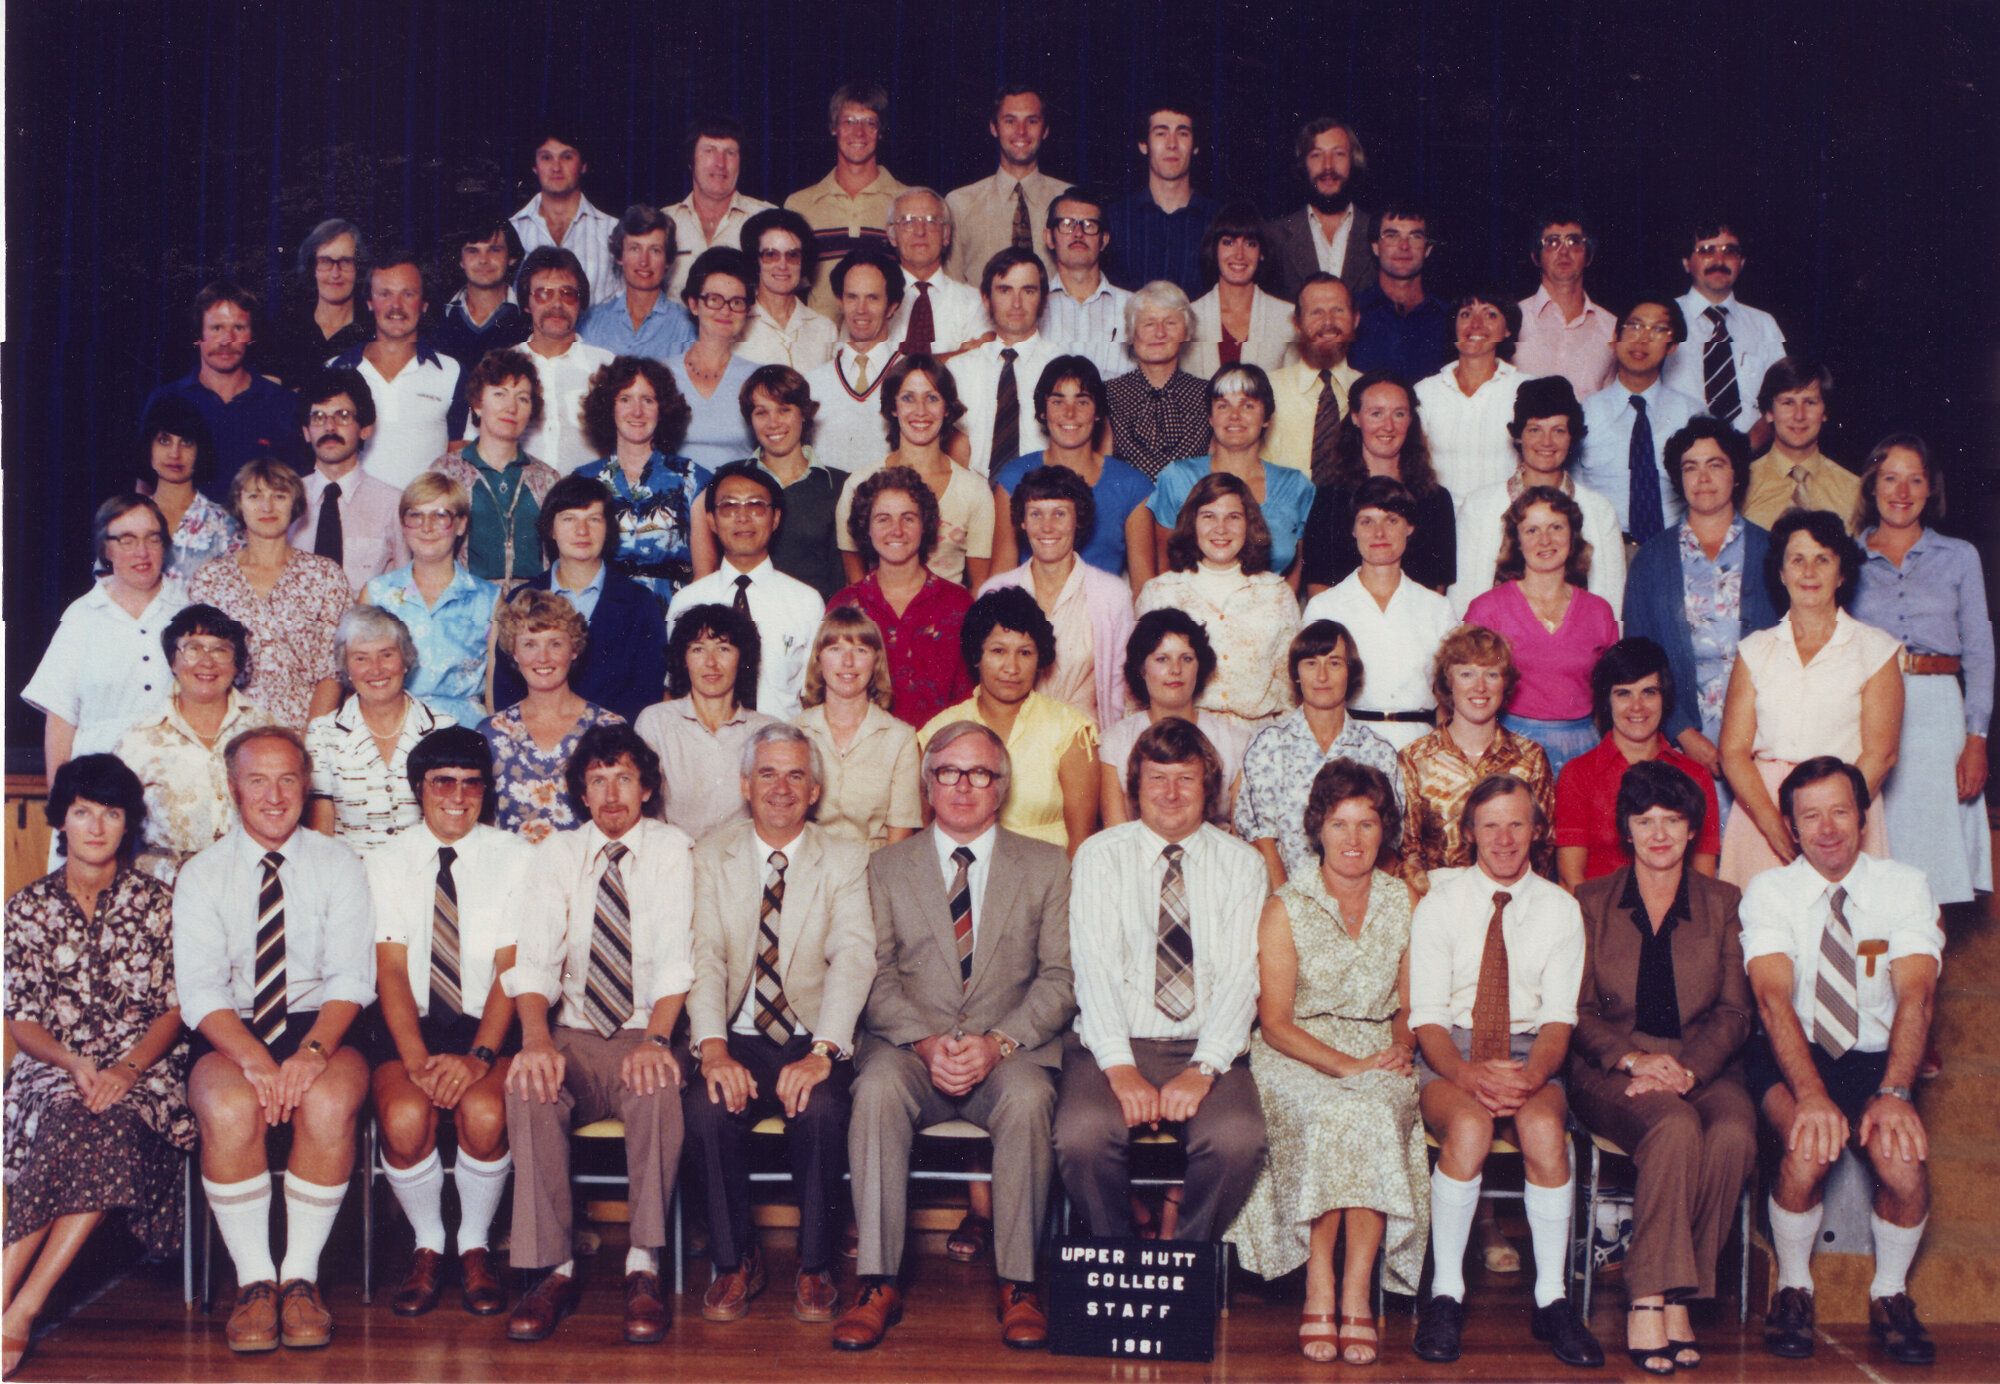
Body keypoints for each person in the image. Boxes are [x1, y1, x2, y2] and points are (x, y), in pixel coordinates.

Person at [834, 722, 1075, 1351]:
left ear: (1002, 787)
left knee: (1029, 1101)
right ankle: (876, 1281)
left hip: (1010, 1052)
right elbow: (875, 972)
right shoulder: (885, 867)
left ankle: (1018, 1284)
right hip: (913, 1052)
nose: (964, 786)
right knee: (876, 1089)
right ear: (927, 783)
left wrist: (998, 1043)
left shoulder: (1047, 865)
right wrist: (923, 1043)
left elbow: (1060, 976)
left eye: (981, 774)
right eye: (948, 772)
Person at [173, 726, 375, 1354]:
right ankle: (256, 1281)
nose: (274, 794)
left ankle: (301, 1281)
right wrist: (258, 1062)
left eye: (288, 778)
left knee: (329, 1102)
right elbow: (201, 990)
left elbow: (351, 977)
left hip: (322, 1022)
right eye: (257, 779)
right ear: (233, 787)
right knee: (231, 1106)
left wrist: (310, 1055)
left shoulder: (339, 863)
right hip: (233, 1029)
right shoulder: (202, 873)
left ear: (305, 784)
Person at [1741, 758, 1943, 1367]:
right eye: (1810, 816)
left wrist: (1897, 1092)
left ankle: (1889, 1295)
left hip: (1879, 1060)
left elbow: (1917, 995)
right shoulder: (1769, 891)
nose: (1827, 829)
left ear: (1861, 815)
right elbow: (1772, 1001)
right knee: (1807, 1150)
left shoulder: (1904, 885)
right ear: (1790, 826)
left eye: (1839, 811)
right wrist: (1809, 1093)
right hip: (1791, 1055)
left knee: (1903, 1166)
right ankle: (1794, 1287)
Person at [1225, 762, 1427, 1367]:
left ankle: (1356, 1292)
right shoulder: (1286, 905)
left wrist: (1402, 1048)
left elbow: (1412, 1006)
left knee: (1369, 1110)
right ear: (1318, 829)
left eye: (1367, 823)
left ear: (1383, 829)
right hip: (1299, 1052)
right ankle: (1319, 1283)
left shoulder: (1404, 901)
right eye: (1340, 823)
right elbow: (1277, 1022)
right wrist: (1345, 1065)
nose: (1354, 838)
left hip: (1378, 1049)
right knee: (1337, 1110)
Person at [2, 755, 195, 1378]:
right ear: (60, 818)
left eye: (111, 813)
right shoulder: (25, 908)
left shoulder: (160, 905)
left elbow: (176, 1008)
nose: (95, 826)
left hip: (147, 1071)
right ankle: (13, 1306)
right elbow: (22, 1020)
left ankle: (19, 1307)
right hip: (53, 1066)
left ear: (128, 824)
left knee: (106, 1119)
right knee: (70, 1114)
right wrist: (73, 1061)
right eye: (83, 811)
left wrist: (128, 1069)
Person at [502, 724, 692, 1347]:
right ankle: (552, 1268)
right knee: (530, 1087)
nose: (612, 794)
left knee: (658, 1088)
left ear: (646, 787)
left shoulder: (672, 850)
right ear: (582, 792)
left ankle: (644, 1264)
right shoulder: (556, 855)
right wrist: (534, 1041)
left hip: (647, 1027)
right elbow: (534, 960)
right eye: (598, 780)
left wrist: (657, 1041)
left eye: (625, 779)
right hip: (576, 1031)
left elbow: (675, 962)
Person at [1407, 774, 1603, 1369]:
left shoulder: (1561, 908)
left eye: (1517, 823)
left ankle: (1552, 1300)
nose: (1504, 837)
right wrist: (1467, 1076)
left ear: (1537, 831)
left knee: (1545, 1131)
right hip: (1453, 1054)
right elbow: (1428, 1020)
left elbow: (1559, 1023)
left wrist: (1530, 1077)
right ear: (1469, 833)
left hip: (1529, 1055)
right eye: (1490, 825)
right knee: (1466, 1131)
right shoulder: (1441, 903)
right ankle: (1445, 1294)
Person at [685, 724, 877, 1326]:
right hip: (736, 1030)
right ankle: (734, 1259)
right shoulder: (711, 852)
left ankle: (816, 1265)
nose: (781, 787)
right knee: (707, 1108)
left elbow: (853, 953)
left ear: (815, 789)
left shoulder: (844, 857)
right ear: (745, 784)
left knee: (820, 1110)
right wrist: (713, 1050)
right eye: (767, 773)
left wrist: (823, 1051)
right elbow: (706, 954)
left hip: (809, 1031)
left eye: (796, 774)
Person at [1569, 759, 1755, 1375]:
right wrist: (1633, 1059)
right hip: (1611, 1066)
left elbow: (1733, 1011)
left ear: (1692, 829)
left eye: (1672, 820)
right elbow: (1575, 1010)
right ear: (1625, 828)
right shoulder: (1591, 901)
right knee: (1672, 1127)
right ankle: (1648, 1295)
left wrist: (1688, 1071)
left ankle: (1681, 1294)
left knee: (1732, 1133)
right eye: (1644, 820)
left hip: (1703, 1064)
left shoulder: (1723, 902)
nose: (1658, 834)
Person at [1057, 719, 1266, 1247]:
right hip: (1115, 1040)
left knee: (1238, 1139)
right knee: (1081, 1136)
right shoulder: (1100, 855)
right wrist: (1119, 1066)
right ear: (1135, 789)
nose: (1171, 793)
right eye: (1156, 779)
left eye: (1186, 779)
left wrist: (1205, 1067)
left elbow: (1245, 977)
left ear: (1208, 788)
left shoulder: (1243, 865)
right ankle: (1120, 1255)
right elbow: (1093, 968)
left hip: (1205, 1043)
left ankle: (1183, 1261)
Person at [365, 728, 533, 1319]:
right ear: (419, 789)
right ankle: (428, 1244)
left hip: (487, 1022)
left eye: (471, 784)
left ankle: (475, 1245)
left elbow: (511, 970)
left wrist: (478, 1059)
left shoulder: (517, 858)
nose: (457, 796)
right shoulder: (386, 861)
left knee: (486, 1114)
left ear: (486, 791)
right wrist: (414, 1062)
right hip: (409, 1024)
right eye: (443, 783)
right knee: (406, 1118)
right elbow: (389, 968)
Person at [1718, 509, 1902, 884]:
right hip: (1765, 813)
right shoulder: (1756, 650)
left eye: (1823, 559)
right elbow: (1733, 752)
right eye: (1797, 560)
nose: (1809, 571)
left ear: (1842, 572)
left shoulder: (1876, 650)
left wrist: (1831, 825)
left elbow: (1881, 754)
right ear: (1781, 572)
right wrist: (1776, 827)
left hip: (1845, 813)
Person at [1853, 433, 1992, 903]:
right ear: (1872, 485)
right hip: (1871, 711)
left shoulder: (1960, 556)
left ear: (1931, 489)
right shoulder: (1847, 558)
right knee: (1878, 849)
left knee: (1936, 861)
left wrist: (1976, 739)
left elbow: (1979, 652)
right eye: (1890, 478)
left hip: (1938, 713)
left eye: (1915, 480)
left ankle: (1922, 972)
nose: (1902, 491)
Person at [1623, 418, 1781, 798]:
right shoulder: (1651, 559)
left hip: (1764, 733)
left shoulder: (1773, 552)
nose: (1703, 478)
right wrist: (1683, 733)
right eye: (1690, 467)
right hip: (1681, 736)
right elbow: (1638, 658)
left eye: (1716, 464)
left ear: (1737, 474)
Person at [919, 588, 1100, 855]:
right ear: (977, 656)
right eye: (998, 650)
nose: (1011, 667)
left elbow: (1081, 841)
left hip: (1046, 881)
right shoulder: (938, 732)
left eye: (1025, 653)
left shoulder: (1070, 730)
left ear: (1040, 659)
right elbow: (924, 835)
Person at [23, 495, 188, 778]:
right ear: (106, 549)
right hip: (97, 789)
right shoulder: (82, 616)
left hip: (175, 781)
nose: (142, 552)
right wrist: (61, 806)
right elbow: (61, 719)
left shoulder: (189, 609)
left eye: (152, 538)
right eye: (127, 540)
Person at [1234, 620, 1402, 888]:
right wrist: (1289, 906)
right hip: (1285, 896)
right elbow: (1260, 838)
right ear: (1297, 674)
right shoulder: (1269, 744)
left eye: (1334, 663)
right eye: (1311, 663)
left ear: (1350, 671)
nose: (1322, 676)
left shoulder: (1377, 750)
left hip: (1359, 898)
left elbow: (1390, 842)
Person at [1465, 487, 1621, 775]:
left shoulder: (1599, 611)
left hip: (1585, 749)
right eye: (1532, 530)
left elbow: (1611, 696)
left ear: (1572, 537)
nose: (1545, 540)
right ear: (1517, 541)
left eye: (1556, 527)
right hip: (1509, 748)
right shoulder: (1487, 610)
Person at [115, 605, 275, 883]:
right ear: (173, 661)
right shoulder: (138, 741)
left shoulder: (267, 732)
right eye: (193, 648)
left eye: (220, 650)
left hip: (249, 883)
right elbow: (115, 829)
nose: (207, 662)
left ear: (236, 663)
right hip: (162, 894)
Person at [187, 458, 351, 730]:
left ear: (294, 504)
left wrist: (308, 746)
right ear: (239, 503)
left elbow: (333, 672)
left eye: (279, 495)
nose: (267, 506)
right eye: (255, 496)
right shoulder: (210, 579)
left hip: (305, 730)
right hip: (227, 728)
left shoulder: (325, 575)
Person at [491, 475, 670, 723]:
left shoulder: (640, 603)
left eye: (594, 519)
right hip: (532, 742)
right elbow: (506, 687)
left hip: (610, 745)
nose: (582, 531)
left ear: (607, 528)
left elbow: (645, 692)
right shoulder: (520, 599)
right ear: (550, 528)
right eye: (569, 519)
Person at [1301, 477, 1459, 752]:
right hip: (1346, 743)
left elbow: (1450, 693)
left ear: (1409, 527)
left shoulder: (1437, 608)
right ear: (1353, 530)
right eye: (1367, 521)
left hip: (1420, 746)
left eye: (1391, 520)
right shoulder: (1325, 607)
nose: (1379, 533)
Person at [1451, 375, 1626, 617]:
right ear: (1518, 435)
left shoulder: (1599, 510)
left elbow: (1611, 607)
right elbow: (1463, 600)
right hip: (1494, 648)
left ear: (1571, 437)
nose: (1546, 441)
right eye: (1535, 429)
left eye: (1558, 430)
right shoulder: (1479, 506)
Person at [1136, 472, 1301, 729]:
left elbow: (1290, 691)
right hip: (1182, 736)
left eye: (1233, 517)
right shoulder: (1160, 593)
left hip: (1258, 740)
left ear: (1249, 524)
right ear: (1192, 523)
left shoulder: (1276, 594)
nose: (1220, 528)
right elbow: (1137, 688)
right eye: (1208, 516)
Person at [1555, 639, 1723, 888]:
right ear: (1607, 700)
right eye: (1623, 693)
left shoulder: (1694, 775)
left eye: (1649, 692)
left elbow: (1704, 881)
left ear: (1664, 697)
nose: (1637, 707)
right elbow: (1571, 879)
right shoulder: (1579, 774)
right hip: (1597, 920)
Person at [978, 464, 1136, 725]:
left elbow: (1122, 689)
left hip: (1086, 741)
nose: (1047, 527)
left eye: (1060, 514)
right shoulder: (994, 592)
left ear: (1079, 519)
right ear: (1022, 521)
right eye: (1036, 514)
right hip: (1011, 738)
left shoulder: (1112, 595)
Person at [1397, 625, 1558, 881]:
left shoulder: (1531, 759)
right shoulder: (1415, 759)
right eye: (1467, 674)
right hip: (1440, 902)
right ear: (1448, 683)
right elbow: (1409, 853)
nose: (1480, 687)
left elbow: (1543, 848)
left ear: (1505, 684)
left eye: (1491, 674)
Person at [672, 461, 825, 720]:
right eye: (729, 506)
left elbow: (814, 698)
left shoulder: (806, 602)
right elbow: (675, 694)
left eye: (755, 505)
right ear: (711, 520)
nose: (743, 517)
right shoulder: (686, 602)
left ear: (775, 518)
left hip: (782, 748)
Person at [827, 466, 975, 730]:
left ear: (924, 525)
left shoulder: (958, 603)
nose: (896, 530)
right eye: (883, 519)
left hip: (942, 753)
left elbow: (970, 697)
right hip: (867, 753)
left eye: (908, 518)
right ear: (867, 527)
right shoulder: (844, 604)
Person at [1146, 363, 1317, 584]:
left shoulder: (1296, 486)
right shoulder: (1177, 477)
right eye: (1223, 406)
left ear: (1266, 417)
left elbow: (1299, 566)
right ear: (1210, 417)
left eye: (1247, 406)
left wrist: (1282, 609)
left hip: (1268, 611)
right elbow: (1164, 564)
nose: (1235, 416)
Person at [304, 605, 453, 857]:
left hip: (424, 875)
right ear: (346, 667)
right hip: (351, 879)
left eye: (386, 655)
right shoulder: (323, 734)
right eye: (360, 658)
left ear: (405, 659)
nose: (376, 669)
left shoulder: (443, 728)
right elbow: (321, 834)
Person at [479, 590, 625, 844]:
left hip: (583, 876)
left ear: (574, 649)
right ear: (514, 652)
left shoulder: (608, 727)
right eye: (529, 644)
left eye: (555, 644)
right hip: (511, 878)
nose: (543, 657)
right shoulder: (491, 732)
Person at [834, 354, 994, 587]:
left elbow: (979, 587)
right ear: (893, 407)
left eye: (932, 398)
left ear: (947, 408)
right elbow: (855, 582)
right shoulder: (859, 484)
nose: (921, 411)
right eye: (908, 398)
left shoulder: (974, 491)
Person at [1298, 369, 1457, 597]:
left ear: (1411, 419)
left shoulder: (1436, 500)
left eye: (1399, 414)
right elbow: (1318, 588)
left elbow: (1435, 592)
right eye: (1376, 413)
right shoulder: (1329, 498)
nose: (1388, 426)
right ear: (1355, 416)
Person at [141, 281, 304, 500]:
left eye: (238, 328)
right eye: (216, 328)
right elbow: (145, 487)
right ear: (198, 335)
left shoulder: (284, 404)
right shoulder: (166, 399)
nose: (227, 340)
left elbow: (297, 489)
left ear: (251, 335)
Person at [573, 354, 712, 610]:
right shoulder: (583, 480)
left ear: (662, 408)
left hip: (672, 616)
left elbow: (704, 576)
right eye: (625, 399)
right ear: (609, 406)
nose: (637, 411)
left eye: (648, 400)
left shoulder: (693, 478)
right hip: (600, 612)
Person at [362, 473, 502, 728]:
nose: (426, 527)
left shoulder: (488, 599)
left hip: (463, 732)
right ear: (403, 524)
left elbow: (494, 690)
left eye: (440, 515)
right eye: (416, 515)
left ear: (460, 525)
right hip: (391, 727)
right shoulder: (376, 594)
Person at [635, 602, 779, 843]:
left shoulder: (766, 731)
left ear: (741, 657)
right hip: (673, 863)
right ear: (683, 659)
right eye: (698, 649)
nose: (711, 662)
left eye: (723, 648)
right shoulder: (656, 722)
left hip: (741, 867)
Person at [1100, 609, 1251, 828]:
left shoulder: (1235, 741)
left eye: (1187, 658)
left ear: (1199, 666)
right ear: (1142, 669)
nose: (1176, 670)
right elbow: (1115, 833)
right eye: (1162, 659)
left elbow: (1242, 841)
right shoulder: (1115, 742)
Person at [1576, 295, 1705, 546]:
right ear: (1615, 336)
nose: (1642, 338)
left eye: (1658, 329)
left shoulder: (1692, 416)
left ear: (1672, 345)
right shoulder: (1584, 413)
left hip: (1672, 548)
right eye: (1634, 326)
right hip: (1601, 548)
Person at [793, 606, 922, 851]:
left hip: (874, 869)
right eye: (835, 649)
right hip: (810, 866)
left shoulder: (900, 738)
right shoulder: (796, 732)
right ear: (819, 660)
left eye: (860, 650)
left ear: (876, 661)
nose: (848, 661)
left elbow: (900, 835)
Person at [431, 347, 561, 585]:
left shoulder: (547, 478)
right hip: (468, 603)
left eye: (522, 398)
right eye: (500, 394)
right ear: (478, 404)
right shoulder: (446, 471)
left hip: (534, 607)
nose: (511, 407)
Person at [329, 257, 461, 490]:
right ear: (369, 302)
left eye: (408, 294)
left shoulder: (452, 372)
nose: (396, 306)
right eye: (384, 294)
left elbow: (461, 462)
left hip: (426, 520)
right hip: (353, 520)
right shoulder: (334, 370)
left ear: (424, 303)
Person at [785, 82, 907, 319]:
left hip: (888, 345)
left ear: (881, 131)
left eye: (869, 122)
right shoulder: (799, 205)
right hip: (820, 347)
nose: (858, 132)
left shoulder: (907, 202)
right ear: (833, 127)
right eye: (848, 121)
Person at [1662, 217, 1788, 436]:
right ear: (1686, 262)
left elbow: (1784, 399)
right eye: (1706, 250)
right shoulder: (1662, 318)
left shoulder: (1765, 324)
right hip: (1679, 457)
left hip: (1752, 458)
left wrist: (1744, 450)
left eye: (1730, 251)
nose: (1719, 260)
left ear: (1742, 262)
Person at [287, 368, 410, 593]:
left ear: (365, 429)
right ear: (306, 431)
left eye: (342, 416)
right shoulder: (285, 499)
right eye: (318, 417)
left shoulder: (393, 503)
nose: (329, 427)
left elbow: (405, 589)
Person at [496, 246, 614, 477]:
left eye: (567, 293)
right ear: (527, 303)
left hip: (587, 503)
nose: (557, 304)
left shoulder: (606, 365)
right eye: (544, 293)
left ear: (580, 303)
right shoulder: (502, 366)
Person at [738, 363, 851, 601]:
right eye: (761, 412)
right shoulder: (731, 481)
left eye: (784, 409)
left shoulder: (840, 486)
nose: (773, 423)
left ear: (804, 413)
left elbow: (845, 581)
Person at [951, 247, 1066, 480]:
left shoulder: (1063, 367)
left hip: (1042, 501)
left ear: (1044, 300)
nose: (1016, 303)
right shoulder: (958, 370)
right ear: (986, 299)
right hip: (975, 501)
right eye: (1005, 290)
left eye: (1028, 291)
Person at [945, 85, 1069, 285]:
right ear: (994, 127)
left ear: (1045, 130)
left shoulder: (1068, 200)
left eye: (1032, 121)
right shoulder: (959, 204)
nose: (1021, 131)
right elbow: (953, 289)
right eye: (1010, 121)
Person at [1414, 290, 1527, 497]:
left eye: (1490, 314)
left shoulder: (1526, 389)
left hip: (1506, 521)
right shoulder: (1425, 391)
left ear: (1508, 329)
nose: (1476, 323)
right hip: (1443, 521)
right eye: (1466, 314)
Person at [800, 251, 904, 473]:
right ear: (840, 301)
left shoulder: (911, 378)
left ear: (892, 306)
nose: (861, 310)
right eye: (852, 297)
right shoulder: (813, 382)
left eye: (873, 298)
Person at [1104, 104, 1217, 296]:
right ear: (1143, 145)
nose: (1171, 144)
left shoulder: (1218, 220)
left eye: (1182, 133)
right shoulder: (1114, 218)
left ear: (1195, 146)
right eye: (1160, 133)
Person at [1104, 281, 1212, 480]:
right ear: (1131, 334)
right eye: (1149, 323)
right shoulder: (1107, 394)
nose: (1160, 333)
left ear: (1187, 333)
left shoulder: (1207, 394)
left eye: (1171, 322)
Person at [1261, 117, 1376, 299]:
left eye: (1338, 154)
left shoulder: (1378, 232)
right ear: (1303, 165)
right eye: (1316, 155)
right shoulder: (1274, 236)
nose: (1328, 166)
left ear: (1353, 161)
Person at [1740, 358, 1860, 533]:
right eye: (1788, 403)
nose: (1799, 415)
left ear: (1825, 412)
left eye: (1810, 402)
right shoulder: (1741, 486)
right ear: (1769, 412)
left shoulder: (1854, 491)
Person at [669, 247, 762, 472]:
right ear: (693, 304)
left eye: (737, 302)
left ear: (747, 310)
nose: (725, 310)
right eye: (714, 299)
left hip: (737, 500)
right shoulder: (661, 374)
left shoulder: (758, 378)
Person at [434, 222, 531, 434]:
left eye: (494, 250)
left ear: (512, 257)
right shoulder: (436, 320)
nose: (483, 260)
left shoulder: (529, 321)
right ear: (460, 260)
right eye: (472, 251)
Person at [1263, 274, 1360, 484]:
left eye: (1339, 310)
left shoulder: (1370, 392)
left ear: (1355, 319)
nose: (1328, 322)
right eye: (1316, 312)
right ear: (1297, 323)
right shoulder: (1266, 388)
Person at [665, 116, 776, 299]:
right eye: (709, 151)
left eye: (730, 153)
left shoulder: (767, 219)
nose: (720, 163)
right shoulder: (665, 221)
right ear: (690, 161)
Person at [133, 396, 242, 581]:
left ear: (200, 452)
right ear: (148, 448)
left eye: (186, 443)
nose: (175, 453)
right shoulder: (127, 517)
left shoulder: (225, 524)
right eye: (164, 441)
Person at [1185, 202, 1299, 378]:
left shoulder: (1287, 317)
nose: (1239, 254)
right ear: (1214, 250)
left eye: (1250, 244)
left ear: (1262, 253)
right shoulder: (1190, 317)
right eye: (1229, 242)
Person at [1512, 210, 1618, 398]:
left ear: (1589, 256)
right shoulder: (1512, 319)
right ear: (1536, 256)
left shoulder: (1612, 327)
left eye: (1574, 241)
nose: (1563, 251)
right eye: (1552, 242)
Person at [577, 204, 697, 364]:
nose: (644, 261)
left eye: (655, 250)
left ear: (667, 260)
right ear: (620, 256)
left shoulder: (687, 326)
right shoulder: (591, 322)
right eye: (634, 248)